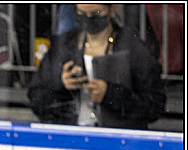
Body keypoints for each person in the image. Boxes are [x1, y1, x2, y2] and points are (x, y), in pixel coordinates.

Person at [27, 3, 165, 129]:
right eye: (81, 13)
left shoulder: (133, 47)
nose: (88, 18)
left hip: (119, 141)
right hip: (71, 138)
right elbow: (36, 99)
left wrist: (110, 94)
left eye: (96, 13)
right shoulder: (62, 45)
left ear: (112, 8)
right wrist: (60, 84)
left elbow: (155, 106)